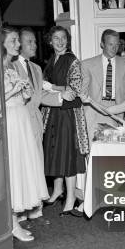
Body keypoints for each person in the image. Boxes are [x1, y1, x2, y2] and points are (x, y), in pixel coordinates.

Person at [15, 27, 74, 224]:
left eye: (34, 41)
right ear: (18, 44)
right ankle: (19, 213)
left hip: (35, 123)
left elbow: (41, 96)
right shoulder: (10, 67)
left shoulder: (36, 68)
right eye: (29, 42)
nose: (34, 45)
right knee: (21, 168)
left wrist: (61, 96)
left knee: (35, 166)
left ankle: (35, 210)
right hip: (18, 124)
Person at [2, 25, 50, 242]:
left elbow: (23, 99)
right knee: (13, 171)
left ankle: (14, 221)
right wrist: (14, 91)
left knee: (22, 169)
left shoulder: (11, 70)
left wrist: (25, 94)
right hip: (11, 124)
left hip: (22, 120)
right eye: (13, 41)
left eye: (17, 41)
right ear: (1, 44)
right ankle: (12, 223)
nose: (18, 45)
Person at [42, 25, 89, 216]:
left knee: (67, 154)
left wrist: (52, 86)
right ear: (50, 41)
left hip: (68, 114)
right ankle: (58, 190)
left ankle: (70, 197)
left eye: (63, 38)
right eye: (56, 38)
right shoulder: (52, 60)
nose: (60, 42)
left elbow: (74, 90)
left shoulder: (72, 60)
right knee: (56, 152)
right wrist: (55, 90)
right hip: (54, 111)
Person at [81, 29, 125, 141]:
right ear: (102, 44)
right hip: (93, 110)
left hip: (117, 111)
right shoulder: (87, 64)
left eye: (117, 45)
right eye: (110, 44)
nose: (114, 48)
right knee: (94, 149)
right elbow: (83, 91)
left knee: (113, 150)